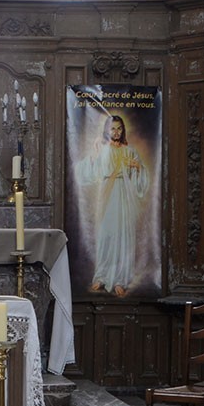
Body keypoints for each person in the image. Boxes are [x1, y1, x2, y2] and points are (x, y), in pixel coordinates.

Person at [76, 113, 152, 294]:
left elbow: (142, 179)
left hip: (124, 196)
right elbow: (88, 172)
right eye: (113, 129)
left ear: (123, 130)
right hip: (107, 196)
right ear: (107, 130)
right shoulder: (102, 149)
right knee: (106, 235)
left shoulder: (130, 151)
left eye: (119, 129)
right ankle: (102, 276)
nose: (116, 132)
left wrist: (137, 168)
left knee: (122, 234)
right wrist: (94, 155)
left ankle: (120, 279)